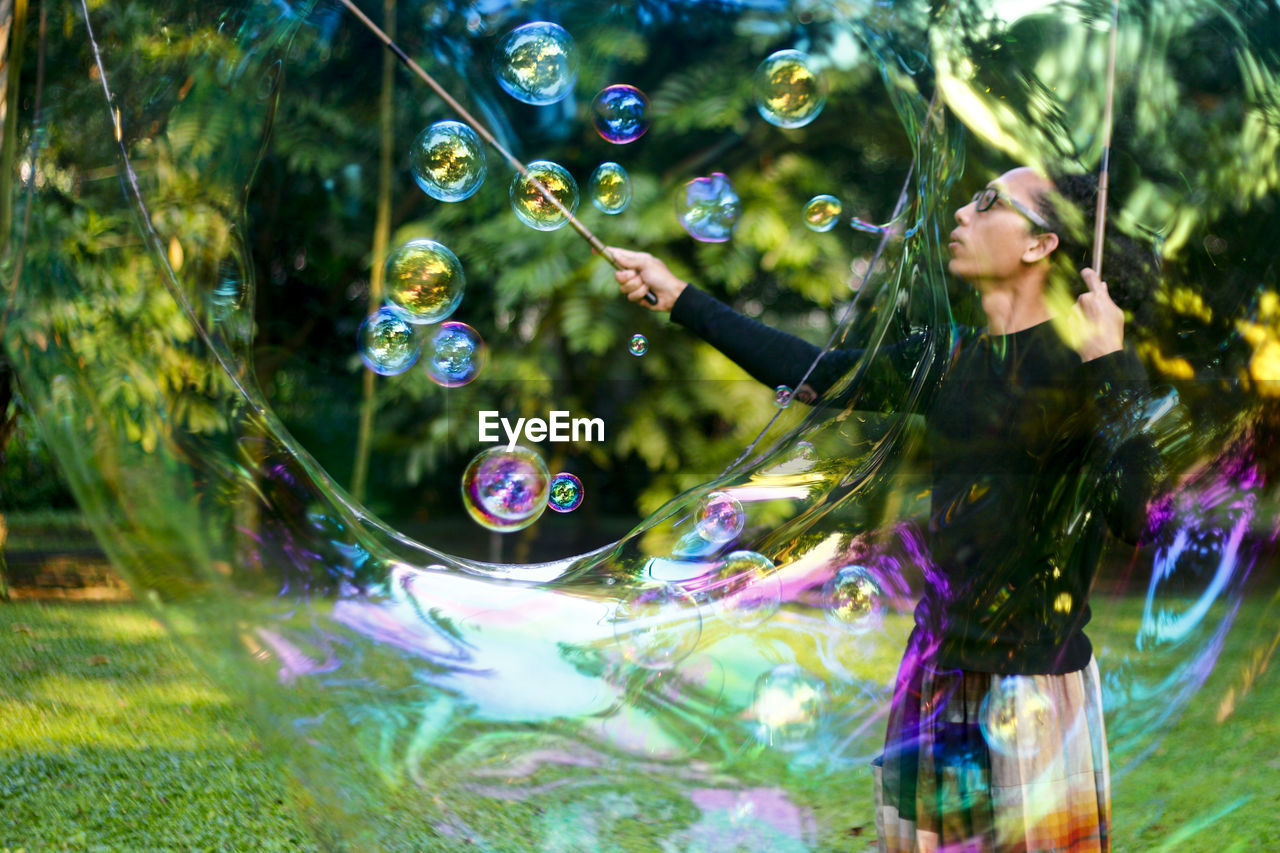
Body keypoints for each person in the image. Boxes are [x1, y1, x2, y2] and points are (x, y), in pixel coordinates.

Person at [610, 166, 1155, 853]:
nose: (962, 211)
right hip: (933, 673)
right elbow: (817, 376)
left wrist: (1113, 361)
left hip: (1038, 689)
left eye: (988, 202)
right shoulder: (948, 355)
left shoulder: (1087, 366)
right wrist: (680, 295)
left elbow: (1133, 516)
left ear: (1040, 244)